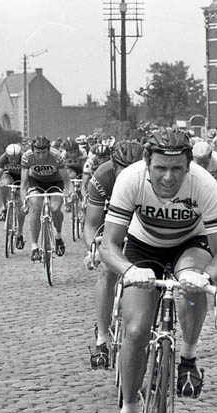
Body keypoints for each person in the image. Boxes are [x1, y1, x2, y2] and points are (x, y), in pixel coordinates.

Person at [100, 128, 217, 413]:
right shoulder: (130, 179)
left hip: (190, 245)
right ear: (148, 163)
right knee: (136, 329)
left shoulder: (205, 185)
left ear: (189, 165)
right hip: (142, 247)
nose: (168, 177)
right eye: (160, 168)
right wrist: (130, 272)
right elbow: (109, 246)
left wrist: (206, 279)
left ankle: (187, 358)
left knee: (191, 283)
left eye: (177, 169)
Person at [83, 140, 146, 369]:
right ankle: (102, 339)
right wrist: (93, 250)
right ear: (113, 164)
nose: (128, 173)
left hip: (141, 226)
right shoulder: (102, 176)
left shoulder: (151, 177)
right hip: (110, 224)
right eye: (122, 168)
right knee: (106, 270)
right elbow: (91, 224)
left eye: (134, 167)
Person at [20, 136, 74, 262]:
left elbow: (66, 181)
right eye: (37, 153)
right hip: (36, 182)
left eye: (44, 153)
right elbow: (23, 183)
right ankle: (34, 247)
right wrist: (25, 200)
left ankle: (58, 237)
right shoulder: (27, 157)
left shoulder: (56, 156)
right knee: (35, 208)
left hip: (55, 181)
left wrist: (70, 193)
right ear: (33, 151)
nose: (41, 156)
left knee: (55, 209)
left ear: (48, 150)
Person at [0, 143, 27, 249]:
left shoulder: (25, 158)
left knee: (21, 207)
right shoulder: (2, 159)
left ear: (20, 156)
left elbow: (30, 176)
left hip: (22, 178)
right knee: (4, 183)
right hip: (9, 175)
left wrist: (25, 188)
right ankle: (5, 207)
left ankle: (20, 232)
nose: (14, 161)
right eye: (11, 158)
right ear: (7, 156)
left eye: (16, 158)